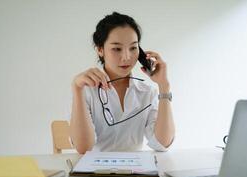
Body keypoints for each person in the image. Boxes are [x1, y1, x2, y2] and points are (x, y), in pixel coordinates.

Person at [70, 12, 175, 154]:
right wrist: (76, 88)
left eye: (133, 48)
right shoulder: (86, 90)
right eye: (117, 49)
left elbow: (162, 143)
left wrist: (164, 86)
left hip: (134, 173)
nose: (126, 57)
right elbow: (83, 148)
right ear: (100, 49)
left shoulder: (147, 93)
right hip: (96, 172)